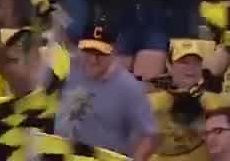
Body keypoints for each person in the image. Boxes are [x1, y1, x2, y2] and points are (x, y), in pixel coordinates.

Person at [55, 17, 159, 160]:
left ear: (114, 51)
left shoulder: (129, 87)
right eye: (89, 51)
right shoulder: (68, 70)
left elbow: (149, 136)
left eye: (100, 54)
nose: (93, 60)